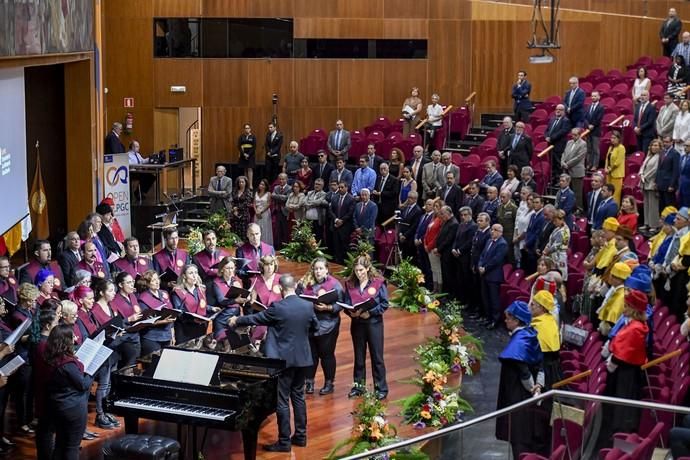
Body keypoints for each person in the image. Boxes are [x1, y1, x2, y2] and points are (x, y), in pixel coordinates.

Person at [230, 274, 318, 452]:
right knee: (299, 397)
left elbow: (256, 318)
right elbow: (315, 327)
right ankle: (301, 437)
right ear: (294, 286)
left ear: (280, 288)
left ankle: (284, 442)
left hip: (283, 361)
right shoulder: (308, 306)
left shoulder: (278, 307)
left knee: (282, 401)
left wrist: (236, 320)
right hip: (302, 359)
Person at [35, 324, 94, 460]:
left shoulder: (50, 357)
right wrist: (91, 373)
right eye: (72, 337)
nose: (75, 339)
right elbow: (83, 385)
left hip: (57, 405)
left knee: (60, 444)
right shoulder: (67, 363)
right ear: (66, 341)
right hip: (71, 408)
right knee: (71, 446)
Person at [496, 301, 543, 459]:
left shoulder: (519, 341)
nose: (505, 321)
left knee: (518, 435)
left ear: (517, 320)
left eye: (508, 318)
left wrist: (533, 389)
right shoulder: (530, 333)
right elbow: (539, 363)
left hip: (518, 395)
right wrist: (539, 385)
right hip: (528, 392)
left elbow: (523, 372)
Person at [602, 289, 649, 434]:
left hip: (626, 373)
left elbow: (624, 352)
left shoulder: (635, 328)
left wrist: (612, 362)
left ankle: (619, 432)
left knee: (623, 405)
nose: (624, 308)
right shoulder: (634, 324)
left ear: (634, 309)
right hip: (624, 370)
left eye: (627, 306)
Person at [343, 256, 389, 400]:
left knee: (377, 357)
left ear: (368, 268)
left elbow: (384, 304)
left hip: (374, 324)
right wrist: (351, 312)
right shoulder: (350, 284)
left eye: (361, 270)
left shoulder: (378, 283)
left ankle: (381, 388)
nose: (359, 273)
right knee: (359, 357)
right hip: (357, 324)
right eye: (356, 270)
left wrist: (370, 313)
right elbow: (346, 303)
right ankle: (359, 387)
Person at [297, 258, 343, 396]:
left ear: (327, 269)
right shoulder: (305, 282)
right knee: (311, 355)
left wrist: (328, 307)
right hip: (309, 324)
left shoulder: (335, 284)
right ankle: (309, 382)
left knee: (326, 355)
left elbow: (342, 304)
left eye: (321, 268)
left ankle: (329, 383)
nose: (318, 271)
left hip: (328, 324)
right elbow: (297, 298)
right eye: (316, 269)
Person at [206, 258, 247, 351]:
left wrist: (245, 298)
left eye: (232, 268)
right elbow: (221, 301)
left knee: (240, 344)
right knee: (227, 343)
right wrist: (235, 300)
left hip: (236, 316)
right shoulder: (216, 282)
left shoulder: (237, 280)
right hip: (223, 316)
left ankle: (238, 364)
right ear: (222, 269)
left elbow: (242, 298)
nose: (230, 271)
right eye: (228, 268)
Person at [136, 270, 176, 355]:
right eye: (153, 280)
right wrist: (162, 321)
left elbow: (171, 313)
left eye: (157, 279)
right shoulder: (143, 298)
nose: (157, 282)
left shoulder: (164, 293)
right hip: (152, 337)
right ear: (147, 283)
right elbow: (144, 321)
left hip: (167, 335)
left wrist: (172, 334)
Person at [110, 272, 143, 367]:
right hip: (124, 338)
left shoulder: (132, 296)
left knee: (136, 364)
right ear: (120, 285)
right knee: (128, 365)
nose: (132, 284)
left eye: (132, 282)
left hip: (136, 335)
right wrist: (129, 319)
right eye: (128, 283)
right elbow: (114, 323)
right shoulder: (115, 300)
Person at [479, 224, 508, 328]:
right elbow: (482, 255)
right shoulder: (489, 241)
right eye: (492, 229)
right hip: (485, 274)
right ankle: (488, 317)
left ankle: (495, 320)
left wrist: (485, 268)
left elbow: (496, 260)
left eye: (495, 230)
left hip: (494, 276)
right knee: (485, 297)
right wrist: (480, 265)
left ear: (500, 232)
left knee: (493, 299)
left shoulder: (502, 244)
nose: (492, 232)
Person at [171, 264, 210, 344]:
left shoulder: (201, 289)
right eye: (191, 273)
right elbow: (178, 313)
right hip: (185, 329)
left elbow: (202, 306)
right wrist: (192, 319)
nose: (194, 276)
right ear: (184, 276)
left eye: (196, 273)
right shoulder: (178, 291)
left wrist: (212, 308)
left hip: (200, 327)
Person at [452, 207, 478, 303]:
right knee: (459, 279)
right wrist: (454, 248)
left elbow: (469, 242)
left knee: (466, 280)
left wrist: (459, 250)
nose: (463, 217)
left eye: (465, 215)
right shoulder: (461, 225)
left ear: (470, 215)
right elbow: (456, 239)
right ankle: (460, 298)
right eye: (461, 215)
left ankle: (467, 301)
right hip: (457, 256)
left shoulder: (473, 226)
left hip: (466, 256)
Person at [329, 181, 355, 264]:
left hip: (345, 227)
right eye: (339, 187)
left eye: (342, 187)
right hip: (336, 225)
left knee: (345, 247)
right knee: (336, 246)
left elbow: (350, 213)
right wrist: (336, 220)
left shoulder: (351, 198)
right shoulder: (334, 197)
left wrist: (342, 221)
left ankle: (345, 264)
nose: (340, 189)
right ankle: (337, 263)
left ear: (346, 188)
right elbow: (330, 210)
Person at [561, 128, 587, 208]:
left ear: (579, 135)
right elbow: (564, 153)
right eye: (572, 134)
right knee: (566, 191)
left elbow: (579, 157)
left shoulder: (583, 144)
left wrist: (567, 164)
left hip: (577, 170)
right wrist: (562, 162)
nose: (573, 136)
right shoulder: (569, 142)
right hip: (567, 170)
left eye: (575, 135)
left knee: (577, 192)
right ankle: (568, 207)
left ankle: (578, 209)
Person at [542, 210, 570, 284]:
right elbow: (550, 241)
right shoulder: (557, 229)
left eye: (556, 221)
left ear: (562, 220)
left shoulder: (565, 231)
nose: (554, 223)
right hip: (552, 256)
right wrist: (545, 248)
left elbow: (557, 245)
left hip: (560, 257)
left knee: (560, 277)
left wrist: (547, 251)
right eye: (553, 221)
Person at [436, 205, 459, 294]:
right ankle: (445, 293)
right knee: (445, 275)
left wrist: (439, 249)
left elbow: (448, 240)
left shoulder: (454, 223)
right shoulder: (447, 221)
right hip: (443, 253)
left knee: (449, 275)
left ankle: (449, 294)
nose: (441, 215)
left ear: (448, 213)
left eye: (442, 213)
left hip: (448, 254)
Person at [424, 199, 445, 293]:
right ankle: (434, 288)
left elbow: (438, 236)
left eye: (437, 206)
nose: (435, 208)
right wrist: (425, 243)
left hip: (433, 248)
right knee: (433, 269)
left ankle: (439, 290)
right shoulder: (433, 218)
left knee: (438, 270)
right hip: (428, 247)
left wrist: (429, 246)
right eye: (434, 206)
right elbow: (427, 232)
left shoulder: (441, 220)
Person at [544, 105, 572, 177]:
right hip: (550, 145)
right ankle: (553, 177)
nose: (558, 111)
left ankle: (559, 178)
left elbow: (562, 132)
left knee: (558, 162)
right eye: (557, 109)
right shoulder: (552, 119)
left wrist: (551, 138)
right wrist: (546, 136)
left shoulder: (566, 121)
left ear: (564, 111)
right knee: (552, 162)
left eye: (560, 109)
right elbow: (547, 130)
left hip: (559, 145)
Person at [640, 139, 661, 230]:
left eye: (656, 145)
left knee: (653, 205)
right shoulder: (648, 156)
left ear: (660, 147)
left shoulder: (659, 157)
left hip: (652, 183)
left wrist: (645, 176)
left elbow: (655, 170)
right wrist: (641, 174)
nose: (654, 147)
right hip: (644, 182)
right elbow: (642, 166)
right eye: (653, 145)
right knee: (646, 204)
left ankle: (654, 225)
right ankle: (647, 223)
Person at [514, 187, 535, 268]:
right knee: (519, 259)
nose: (529, 201)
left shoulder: (533, 213)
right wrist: (516, 234)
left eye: (531, 200)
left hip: (525, 241)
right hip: (518, 236)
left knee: (526, 263)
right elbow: (518, 221)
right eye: (528, 199)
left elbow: (527, 229)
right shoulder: (525, 210)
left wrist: (518, 238)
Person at [399, 191, 423, 260]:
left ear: (415, 199)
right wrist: (400, 233)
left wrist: (405, 235)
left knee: (409, 258)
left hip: (410, 238)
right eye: (408, 197)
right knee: (403, 257)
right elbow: (401, 221)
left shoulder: (418, 210)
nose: (409, 199)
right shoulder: (406, 208)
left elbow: (414, 226)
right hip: (402, 236)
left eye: (411, 198)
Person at [304, 178, 329, 244]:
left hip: (317, 221)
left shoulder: (324, 194)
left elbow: (319, 202)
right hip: (308, 219)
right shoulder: (310, 192)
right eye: (315, 184)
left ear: (322, 186)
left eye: (319, 184)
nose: (316, 186)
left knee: (318, 238)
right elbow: (304, 202)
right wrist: (313, 203)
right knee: (308, 237)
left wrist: (310, 202)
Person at [585, 91, 605, 171]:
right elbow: (585, 117)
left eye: (595, 96)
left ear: (599, 97)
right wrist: (588, 125)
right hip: (588, 130)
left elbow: (599, 118)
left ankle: (595, 165)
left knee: (595, 149)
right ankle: (588, 164)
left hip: (596, 131)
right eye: (592, 96)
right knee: (589, 149)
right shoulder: (588, 106)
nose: (593, 97)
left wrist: (592, 125)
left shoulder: (601, 107)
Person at [633, 90, 657, 154]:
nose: (642, 97)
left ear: (648, 97)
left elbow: (650, 121)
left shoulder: (651, 107)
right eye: (641, 95)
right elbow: (634, 119)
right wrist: (635, 127)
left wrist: (640, 128)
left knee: (645, 153)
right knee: (639, 152)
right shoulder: (638, 106)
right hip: (638, 134)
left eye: (644, 95)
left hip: (647, 134)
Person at [605, 130, 625, 205]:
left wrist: (609, 169)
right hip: (608, 174)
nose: (612, 140)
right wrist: (606, 168)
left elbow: (617, 162)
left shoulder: (621, 148)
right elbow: (607, 158)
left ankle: (614, 210)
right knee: (608, 193)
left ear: (619, 139)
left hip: (617, 175)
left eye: (614, 138)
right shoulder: (611, 147)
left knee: (615, 194)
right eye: (611, 138)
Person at [230, 175, 253, 242]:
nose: (241, 183)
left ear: (246, 183)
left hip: (244, 215)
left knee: (244, 232)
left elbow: (247, 203)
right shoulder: (235, 191)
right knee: (235, 232)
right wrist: (233, 208)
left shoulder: (248, 192)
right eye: (239, 182)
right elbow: (232, 201)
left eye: (242, 182)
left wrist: (237, 208)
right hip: (235, 215)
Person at [272, 173, 291, 249]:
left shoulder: (289, 188)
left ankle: (285, 246)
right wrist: (280, 197)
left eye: (283, 179)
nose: (281, 180)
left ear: (286, 179)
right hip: (277, 210)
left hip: (285, 212)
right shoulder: (276, 187)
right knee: (278, 229)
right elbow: (272, 196)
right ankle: (278, 246)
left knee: (285, 230)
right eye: (280, 179)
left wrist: (277, 196)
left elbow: (286, 198)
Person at [252, 178, 273, 246]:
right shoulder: (256, 193)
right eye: (260, 184)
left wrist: (261, 211)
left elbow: (268, 204)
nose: (261, 186)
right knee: (257, 228)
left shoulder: (268, 193)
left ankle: (265, 244)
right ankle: (257, 243)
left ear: (266, 186)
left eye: (263, 185)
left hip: (265, 212)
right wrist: (256, 211)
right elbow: (254, 203)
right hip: (257, 212)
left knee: (264, 228)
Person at [238, 123, 257, 188]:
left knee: (250, 168)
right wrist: (243, 154)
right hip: (243, 154)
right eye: (246, 128)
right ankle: (245, 184)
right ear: (244, 129)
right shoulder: (241, 136)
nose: (247, 129)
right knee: (245, 169)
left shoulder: (253, 136)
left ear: (250, 129)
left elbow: (254, 147)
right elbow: (239, 146)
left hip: (251, 154)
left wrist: (248, 154)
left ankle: (250, 185)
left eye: (248, 128)